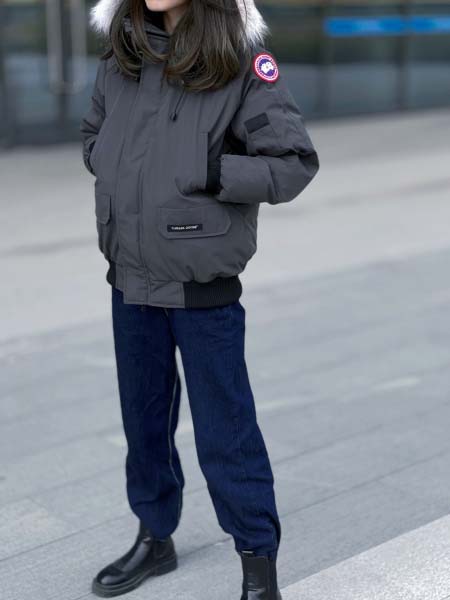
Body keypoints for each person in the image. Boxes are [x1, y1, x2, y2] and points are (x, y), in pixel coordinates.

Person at [80, 0, 319, 598]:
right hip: (129, 276)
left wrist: (211, 170)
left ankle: (257, 564)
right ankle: (155, 536)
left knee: (225, 429)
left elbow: (292, 162)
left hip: (200, 280)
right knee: (143, 420)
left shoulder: (241, 59)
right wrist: (110, 163)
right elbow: (93, 137)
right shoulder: (121, 55)